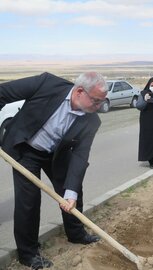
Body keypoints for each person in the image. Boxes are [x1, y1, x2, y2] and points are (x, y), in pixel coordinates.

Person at [0, 72, 108, 269]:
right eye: (96, 101)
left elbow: (80, 157)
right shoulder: (47, 84)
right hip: (26, 148)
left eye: (102, 101)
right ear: (79, 91)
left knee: (73, 190)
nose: (99, 106)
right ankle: (28, 253)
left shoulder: (92, 121)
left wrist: (71, 192)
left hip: (56, 153)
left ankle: (76, 234)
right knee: (29, 202)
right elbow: (2, 93)